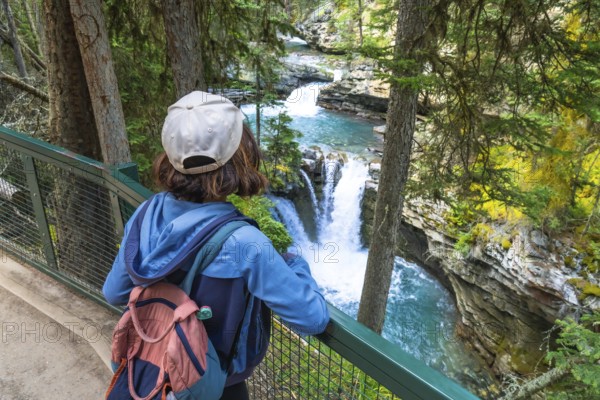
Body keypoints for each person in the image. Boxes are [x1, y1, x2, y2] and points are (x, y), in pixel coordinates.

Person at [102, 91, 330, 400]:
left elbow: (113, 291)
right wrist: (297, 265)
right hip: (216, 386)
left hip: (152, 369)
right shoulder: (245, 243)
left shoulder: (146, 214)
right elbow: (312, 318)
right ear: (238, 157)